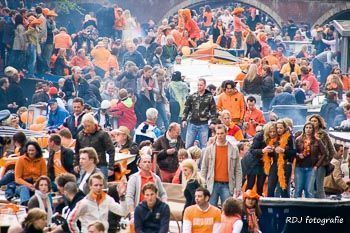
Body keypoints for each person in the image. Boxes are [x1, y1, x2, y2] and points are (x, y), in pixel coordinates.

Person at [201, 124, 242, 206]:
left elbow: (238, 170)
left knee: (227, 210)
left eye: (222, 133)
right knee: (211, 210)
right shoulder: (209, 149)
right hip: (212, 185)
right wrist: (203, 185)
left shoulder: (234, 149)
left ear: (226, 133)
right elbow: (204, 168)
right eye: (218, 133)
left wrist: (238, 187)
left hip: (227, 184)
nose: (220, 136)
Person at [75, 114, 115, 178]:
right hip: (85, 165)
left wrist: (111, 167)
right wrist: (76, 164)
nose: (87, 128)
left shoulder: (102, 134)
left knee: (101, 185)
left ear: (94, 124)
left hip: (100, 164)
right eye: (85, 126)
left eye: (89, 126)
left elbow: (111, 150)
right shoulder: (80, 135)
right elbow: (77, 151)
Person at [182, 78, 217, 148]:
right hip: (192, 123)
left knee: (203, 146)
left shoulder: (209, 97)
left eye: (201, 85)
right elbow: (186, 108)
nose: (199, 87)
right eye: (198, 85)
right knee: (188, 145)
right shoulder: (192, 96)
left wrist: (213, 122)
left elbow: (213, 110)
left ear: (204, 86)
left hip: (203, 124)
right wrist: (184, 120)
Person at [295, 122, 326, 198]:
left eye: (310, 128)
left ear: (313, 130)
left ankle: (309, 208)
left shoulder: (317, 140)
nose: (308, 129)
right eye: (307, 127)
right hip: (299, 167)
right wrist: (298, 155)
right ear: (304, 129)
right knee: (298, 189)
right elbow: (293, 152)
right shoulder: (298, 140)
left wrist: (317, 165)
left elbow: (325, 153)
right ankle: (296, 207)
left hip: (312, 167)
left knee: (309, 190)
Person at [308, 114, 336, 198]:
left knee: (319, 185)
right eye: (311, 121)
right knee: (310, 186)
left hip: (320, 164)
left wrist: (325, 161)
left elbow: (331, 150)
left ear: (319, 123)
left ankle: (322, 203)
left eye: (315, 121)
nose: (313, 123)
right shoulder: (306, 132)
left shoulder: (323, 134)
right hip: (309, 163)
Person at [266, 120, 296, 197]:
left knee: (284, 188)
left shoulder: (290, 137)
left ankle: (285, 207)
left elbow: (294, 152)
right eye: (277, 128)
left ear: (284, 128)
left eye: (281, 128)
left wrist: (284, 150)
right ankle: (270, 206)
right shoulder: (274, 138)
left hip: (285, 164)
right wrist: (270, 150)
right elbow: (270, 155)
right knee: (270, 187)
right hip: (275, 164)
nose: (279, 130)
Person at [245, 122, 276, 195]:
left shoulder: (275, 138)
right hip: (253, 162)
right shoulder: (259, 136)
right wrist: (263, 150)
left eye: (274, 132)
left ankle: (259, 204)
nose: (272, 133)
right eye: (270, 132)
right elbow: (252, 150)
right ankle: (245, 202)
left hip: (264, 163)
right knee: (250, 184)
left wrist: (272, 151)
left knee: (260, 186)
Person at [15, 141, 47, 205]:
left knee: (45, 189)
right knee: (24, 189)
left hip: (37, 185)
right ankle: (26, 206)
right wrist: (29, 185)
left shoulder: (42, 160)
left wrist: (36, 184)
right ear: (26, 150)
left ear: (37, 151)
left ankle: (48, 208)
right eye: (29, 150)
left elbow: (44, 176)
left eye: (32, 150)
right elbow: (17, 178)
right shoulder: (20, 160)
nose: (30, 152)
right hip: (22, 185)